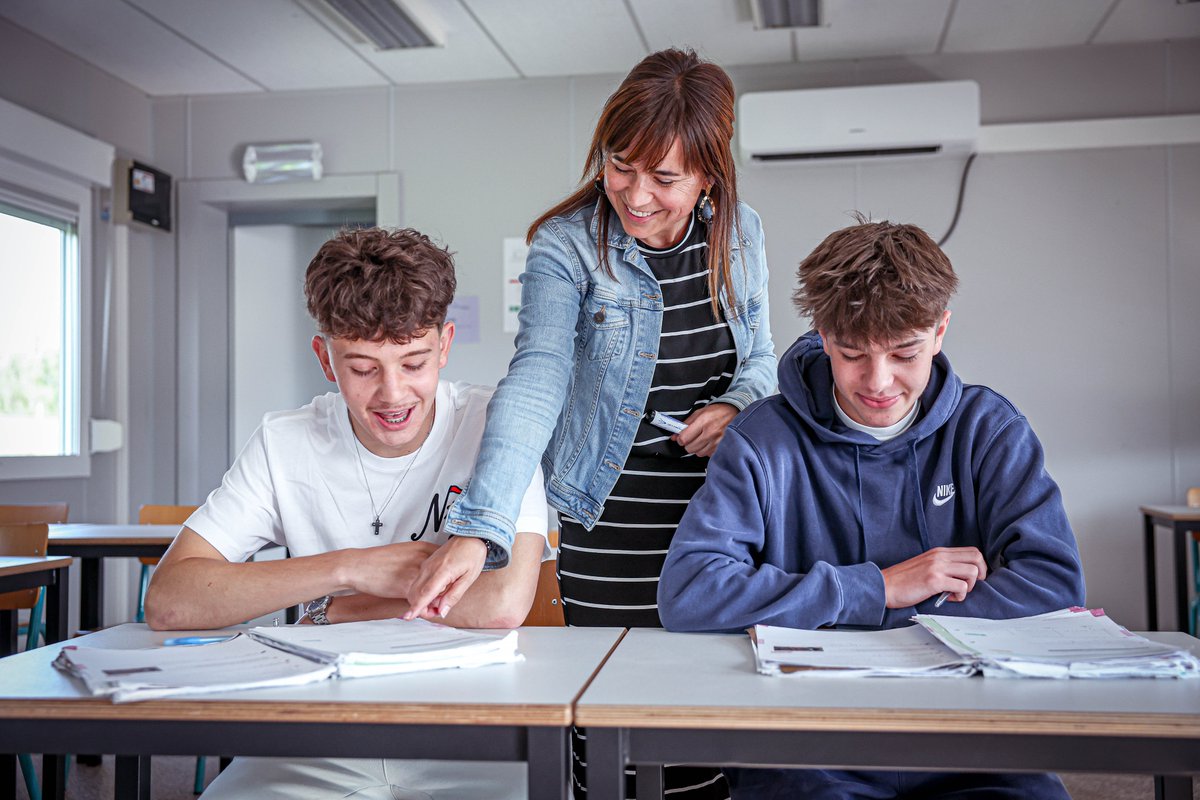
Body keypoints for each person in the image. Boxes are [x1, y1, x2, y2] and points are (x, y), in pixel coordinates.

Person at [407, 48, 777, 799]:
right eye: (620, 165)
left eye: (664, 178)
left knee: (709, 733)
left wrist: (737, 405)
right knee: (614, 736)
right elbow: (537, 379)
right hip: (610, 525)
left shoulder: (742, 235)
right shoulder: (568, 244)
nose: (635, 195)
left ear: (709, 174)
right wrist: (481, 528)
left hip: (720, 522)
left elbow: (763, 357)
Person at [658, 218, 1085, 799]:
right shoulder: (762, 442)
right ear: (823, 334)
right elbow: (690, 593)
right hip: (808, 746)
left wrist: (869, 626)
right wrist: (877, 589)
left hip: (975, 743)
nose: (878, 381)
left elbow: (1054, 586)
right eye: (852, 352)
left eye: (905, 352)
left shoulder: (990, 430)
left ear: (940, 331)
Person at [144, 227, 551, 800]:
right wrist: (350, 567)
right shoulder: (284, 442)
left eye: (414, 362)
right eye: (362, 368)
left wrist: (340, 610)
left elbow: (502, 603)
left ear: (446, 345)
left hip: (472, 725)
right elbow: (170, 601)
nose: (392, 394)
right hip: (320, 730)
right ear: (325, 359)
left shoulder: (497, 427)